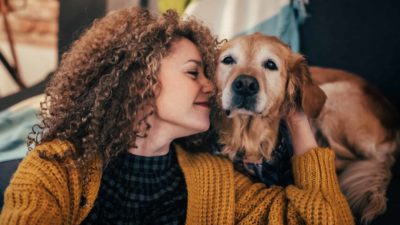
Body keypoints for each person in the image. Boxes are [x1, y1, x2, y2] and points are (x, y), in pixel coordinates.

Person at [0, 7, 354, 225]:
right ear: (141, 83)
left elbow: (327, 219)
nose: (212, 87)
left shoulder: (216, 181)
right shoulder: (57, 166)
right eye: (193, 73)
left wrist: (296, 117)